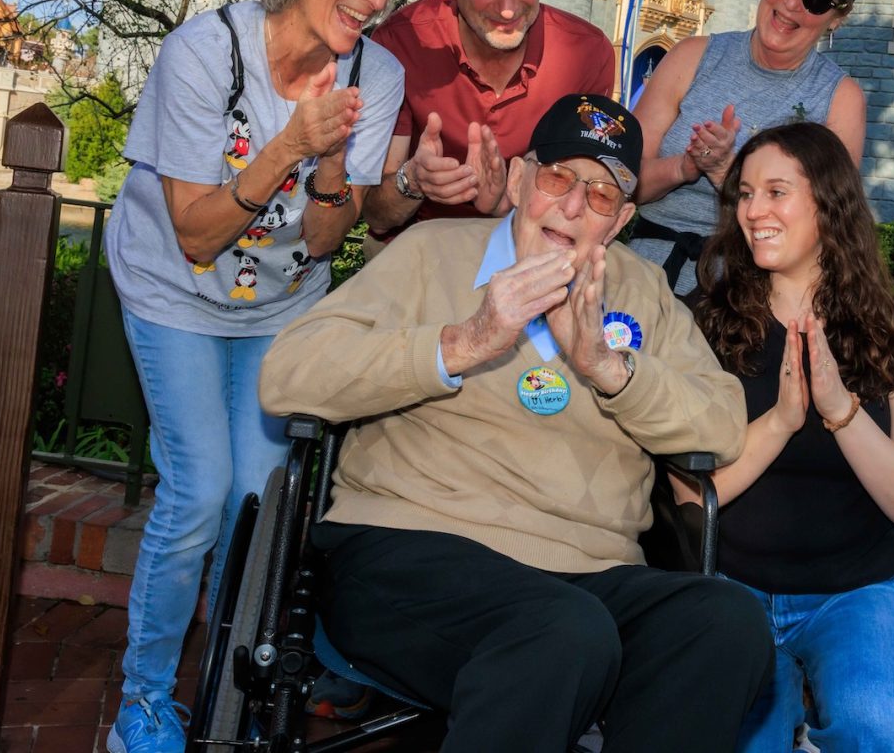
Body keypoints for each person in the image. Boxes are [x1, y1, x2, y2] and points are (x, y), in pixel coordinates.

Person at [260, 93, 773, 753]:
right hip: (415, 546)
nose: (570, 206)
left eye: (599, 194)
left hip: (588, 570)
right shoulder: (431, 253)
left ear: (618, 220)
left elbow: (719, 424)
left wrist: (609, 369)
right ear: (521, 177)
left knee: (725, 623)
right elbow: (287, 373)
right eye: (559, 177)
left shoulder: (643, 293)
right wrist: (465, 341)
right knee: (562, 631)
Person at [103, 0, 446, 753]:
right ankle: (143, 699)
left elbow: (331, 237)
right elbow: (196, 233)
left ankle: (232, 691)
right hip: (172, 286)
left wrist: (333, 156)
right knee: (200, 491)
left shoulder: (377, 78)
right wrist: (291, 144)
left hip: (278, 304)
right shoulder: (203, 52)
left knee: (262, 505)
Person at [684, 121, 894, 753]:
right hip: (732, 588)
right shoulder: (708, 322)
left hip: (858, 595)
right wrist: (780, 422)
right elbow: (691, 501)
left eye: (776, 192)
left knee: (873, 728)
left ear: (828, 205)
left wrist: (843, 412)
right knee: (749, 735)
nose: (753, 211)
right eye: (745, 194)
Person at [629, 0, 870, 294]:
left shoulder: (839, 98)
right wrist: (685, 166)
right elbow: (623, 181)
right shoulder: (692, 56)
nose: (792, 4)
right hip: (644, 280)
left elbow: (825, 225)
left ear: (838, 18)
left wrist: (730, 174)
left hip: (750, 296)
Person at [361, 0, 614, 249]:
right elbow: (376, 215)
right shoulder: (405, 40)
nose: (507, 9)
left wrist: (504, 204)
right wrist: (413, 181)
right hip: (414, 247)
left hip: (527, 246)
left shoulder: (587, 53)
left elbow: (579, 207)